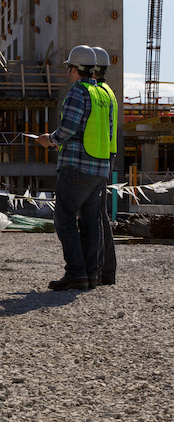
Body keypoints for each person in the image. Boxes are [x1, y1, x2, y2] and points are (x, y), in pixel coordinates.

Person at [38, 45, 112, 291]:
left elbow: (67, 130)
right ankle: (91, 274)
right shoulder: (101, 94)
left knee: (64, 216)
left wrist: (50, 140)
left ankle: (76, 273)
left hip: (77, 165)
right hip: (100, 166)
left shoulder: (78, 92)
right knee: (91, 220)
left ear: (75, 68)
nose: (68, 71)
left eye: (68, 66)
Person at [91, 46, 118, 285]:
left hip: (96, 157)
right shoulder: (109, 92)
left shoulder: (96, 92)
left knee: (95, 215)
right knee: (101, 214)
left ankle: (100, 270)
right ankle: (106, 271)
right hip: (106, 155)